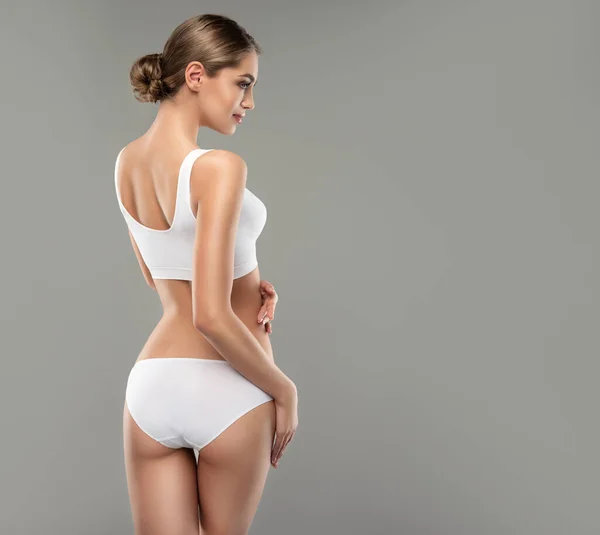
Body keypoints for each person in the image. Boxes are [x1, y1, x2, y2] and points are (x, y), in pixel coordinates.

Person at [114, 13, 298, 535]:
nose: (249, 101)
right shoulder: (219, 167)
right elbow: (211, 316)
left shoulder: (127, 161)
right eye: (243, 83)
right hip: (228, 386)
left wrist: (248, 281)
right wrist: (285, 391)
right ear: (196, 75)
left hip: (153, 387)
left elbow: (159, 277)